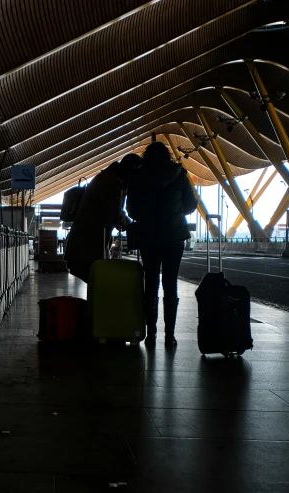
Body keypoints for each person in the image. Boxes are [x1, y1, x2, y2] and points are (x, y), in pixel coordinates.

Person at [126, 142, 198, 347]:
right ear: (167, 156)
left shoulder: (138, 176)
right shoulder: (179, 174)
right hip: (174, 237)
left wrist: (147, 217)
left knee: (150, 283)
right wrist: (175, 213)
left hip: (148, 237)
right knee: (170, 283)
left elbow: (131, 209)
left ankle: (151, 335)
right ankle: (170, 335)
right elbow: (192, 205)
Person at [64, 154, 141, 282]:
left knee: (96, 278)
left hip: (89, 238)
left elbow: (115, 211)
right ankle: (97, 302)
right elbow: (114, 214)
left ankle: (96, 301)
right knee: (97, 277)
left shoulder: (110, 177)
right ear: (131, 171)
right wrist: (130, 225)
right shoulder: (113, 183)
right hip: (90, 239)